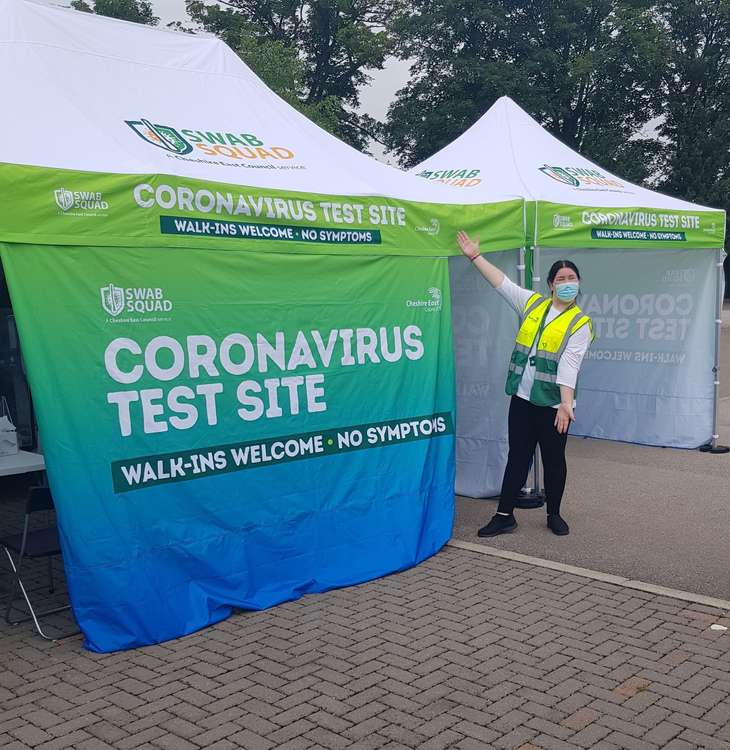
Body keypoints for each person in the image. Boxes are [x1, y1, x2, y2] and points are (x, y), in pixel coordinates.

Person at [456, 231, 594, 537]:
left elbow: (570, 366)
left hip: (554, 405)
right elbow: (502, 284)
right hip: (522, 398)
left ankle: (554, 513)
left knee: (554, 460)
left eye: (572, 277)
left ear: (579, 283)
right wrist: (475, 257)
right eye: (561, 278)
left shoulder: (580, 324)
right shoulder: (533, 304)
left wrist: (566, 405)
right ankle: (504, 515)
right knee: (517, 456)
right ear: (550, 285)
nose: (567, 282)